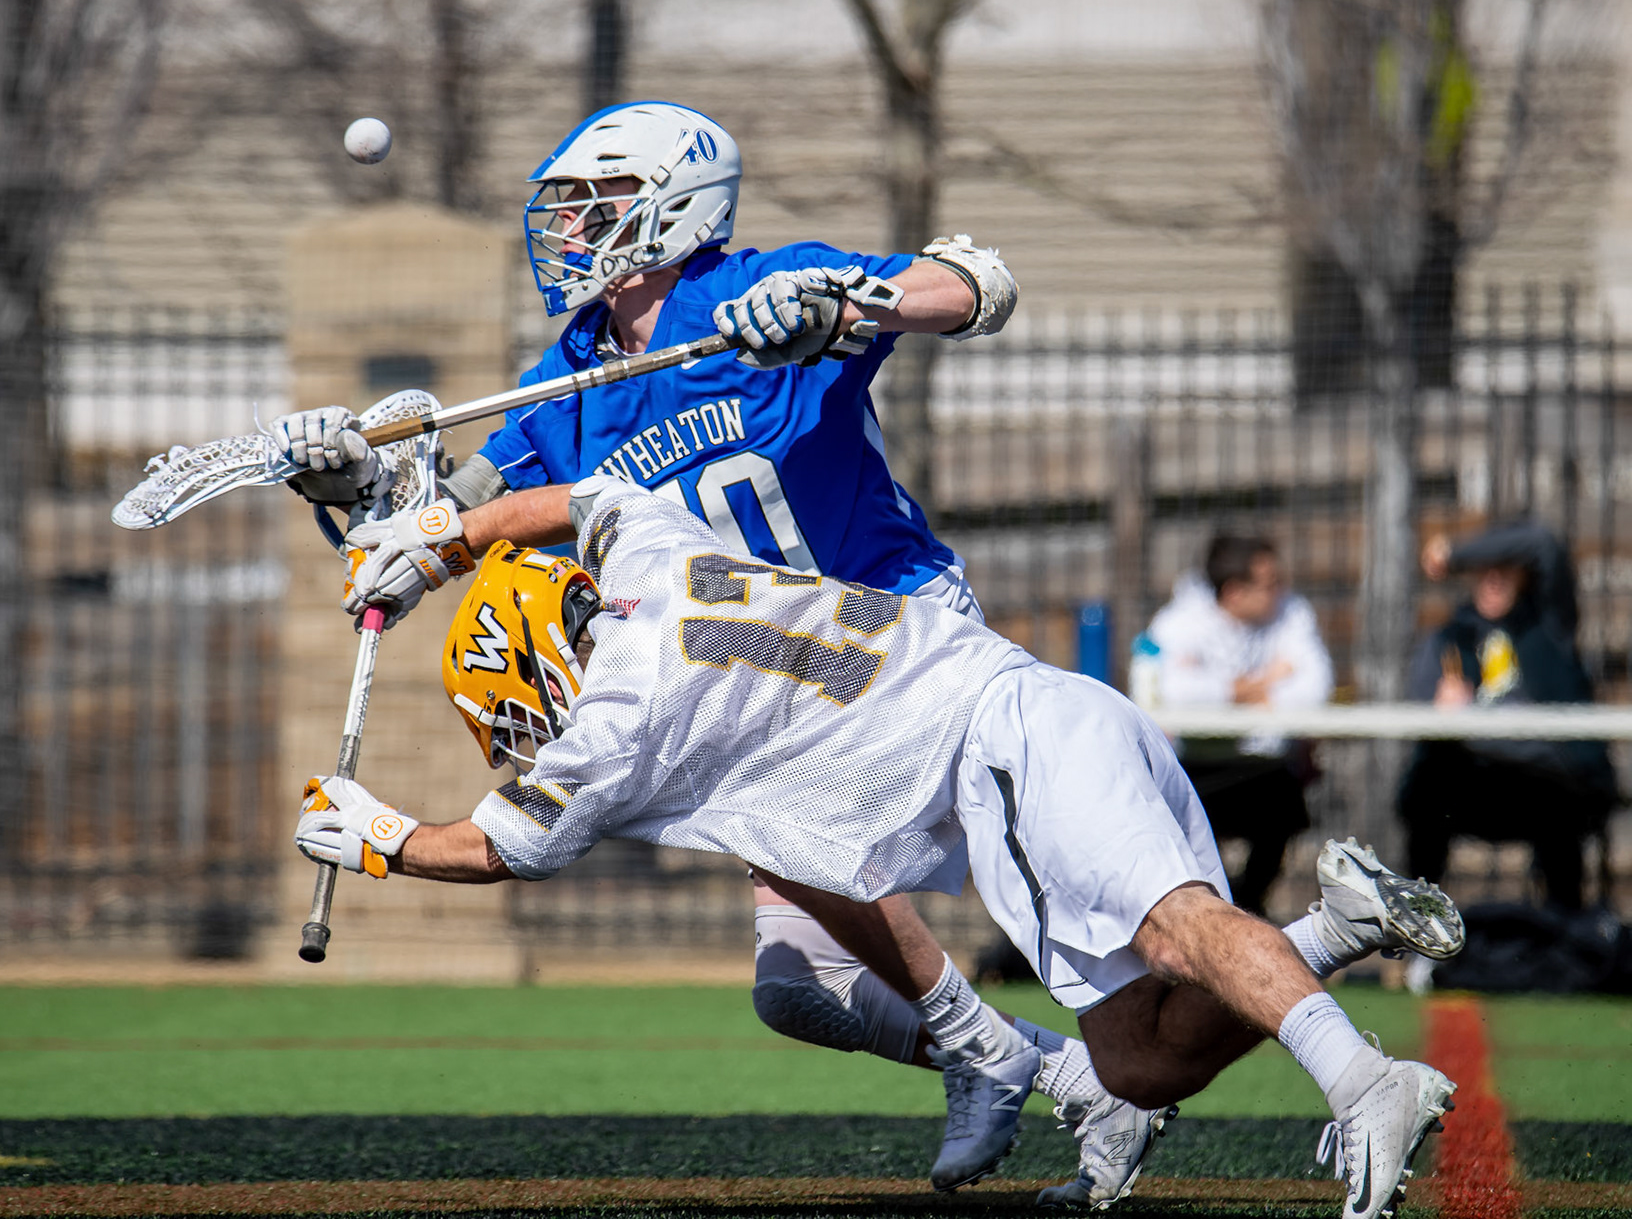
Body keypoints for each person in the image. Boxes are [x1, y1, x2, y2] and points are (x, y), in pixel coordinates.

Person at [266, 101, 1177, 1201]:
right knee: (795, 989)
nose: (565, 231)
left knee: (1075, 884)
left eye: (593, 207)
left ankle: (1082, 1038)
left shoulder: (755, 289)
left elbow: (976, 284)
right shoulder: (574, 373)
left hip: (886, 627)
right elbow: (437, 522)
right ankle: (1058, 1070)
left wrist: (838, 301)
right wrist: (353, 489)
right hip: (755, 664)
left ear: (670, 209)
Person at [293, 478, 1465, 1219]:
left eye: (514, 706)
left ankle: (1367, 1080)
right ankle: (1334, 928)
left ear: (541, 656)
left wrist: (379, 835)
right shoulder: (658, 557)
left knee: (1173, 927)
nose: (523, 735)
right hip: (1026, 730)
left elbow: (507, 848)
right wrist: (452, 537)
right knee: (1141, 1063)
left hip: (1008, 742)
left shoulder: (622, 714)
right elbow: (592, 495)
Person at [1400, 518, 1619, 911]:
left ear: (1525, 575)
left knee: (1560, 803)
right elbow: (1422, 716)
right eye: (1484, 568)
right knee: (1425, 791)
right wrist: (1441, 715)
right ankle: (1417, 935)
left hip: (1543, 782)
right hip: (1475, 782)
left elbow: (1542, 542)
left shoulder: (1550, 626)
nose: (1494, 578)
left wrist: (1456, 554)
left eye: (1506, 567)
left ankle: (1565, 936)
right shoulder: (1449, 638)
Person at [1137, 535, 1333, 913]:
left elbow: (1316, 688)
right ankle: (1224, 914)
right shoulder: (1179, 621)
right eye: (1269, 583)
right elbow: (1175, 694)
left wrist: (1227, 692)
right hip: (1196, 767)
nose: (1280, 591)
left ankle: (1245, 910)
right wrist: (1265, 684)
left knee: (1285, 811)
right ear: (1234, 592)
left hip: (1266, 765)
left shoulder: (1292, 612)